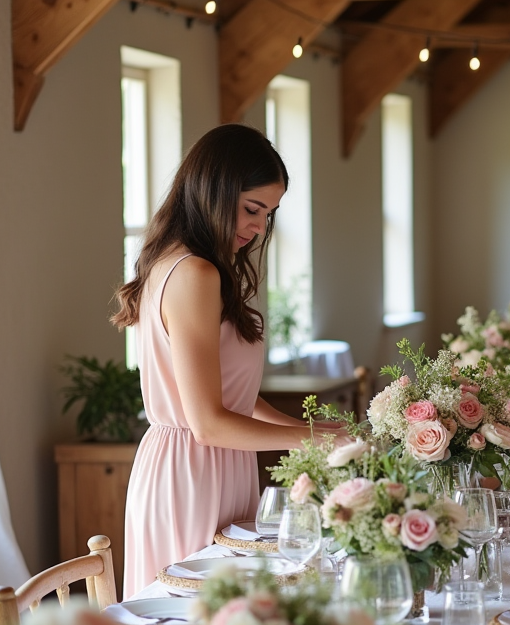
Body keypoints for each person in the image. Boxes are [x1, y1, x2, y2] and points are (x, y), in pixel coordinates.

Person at [112, 124, 346, 597]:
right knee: (199, 621)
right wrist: (314, 441)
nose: (259, 228)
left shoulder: (185, 264)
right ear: (214, 192)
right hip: (191, 474)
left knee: (233, 617)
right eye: (252, 209)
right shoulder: (194, 273)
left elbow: (232, 395)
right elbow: (208, 424)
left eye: (268, 214)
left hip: (215, 464)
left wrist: (311, 430)